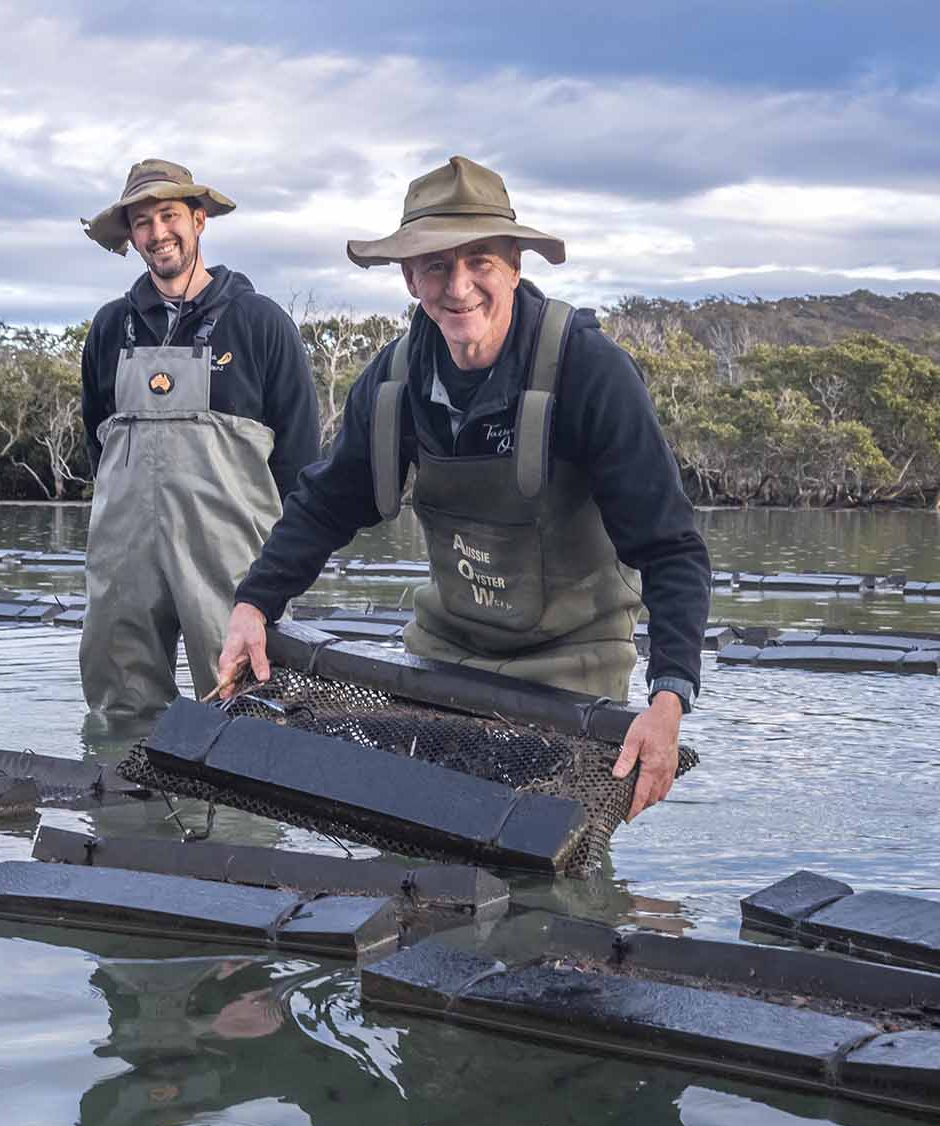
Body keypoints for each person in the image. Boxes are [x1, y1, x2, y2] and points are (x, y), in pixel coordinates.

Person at [217, 156, 710, 820]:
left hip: (571, 664)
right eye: (435, 265)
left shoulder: (590, 371)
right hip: (446, 653)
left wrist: (668, 697)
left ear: (514, 263)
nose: (459, 286)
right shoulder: (393, 381)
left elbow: (670, 548)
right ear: (408, 276)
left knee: (541, 850)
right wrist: (254, 603)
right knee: (432, 834)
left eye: (479, 260)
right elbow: (326, 502)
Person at [77, 159, 319, 721]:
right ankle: (126, 812)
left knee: (247, 710)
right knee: (119, 710)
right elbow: (99, 446)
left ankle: (245, 814)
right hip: (123, 557)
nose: (157, 233)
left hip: (233, 561)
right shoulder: (110, 328)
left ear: (199, 220)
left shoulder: (260, 322)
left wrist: (276, 573)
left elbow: (301, 459)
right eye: (142, 222)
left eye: (168, 215)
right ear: (130, 236)